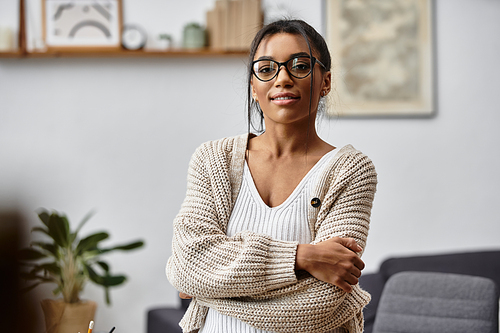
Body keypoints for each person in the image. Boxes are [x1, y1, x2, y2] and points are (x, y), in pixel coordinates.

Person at [166, 19, 377, 333]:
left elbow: (322, 302)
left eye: (300, 66)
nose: (283, 79)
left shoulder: (349, 170)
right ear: (254, 86)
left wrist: (210, 289)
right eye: (266, 69)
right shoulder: (213, 160)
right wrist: (302, 257)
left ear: (325, 82)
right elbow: (190, 262)